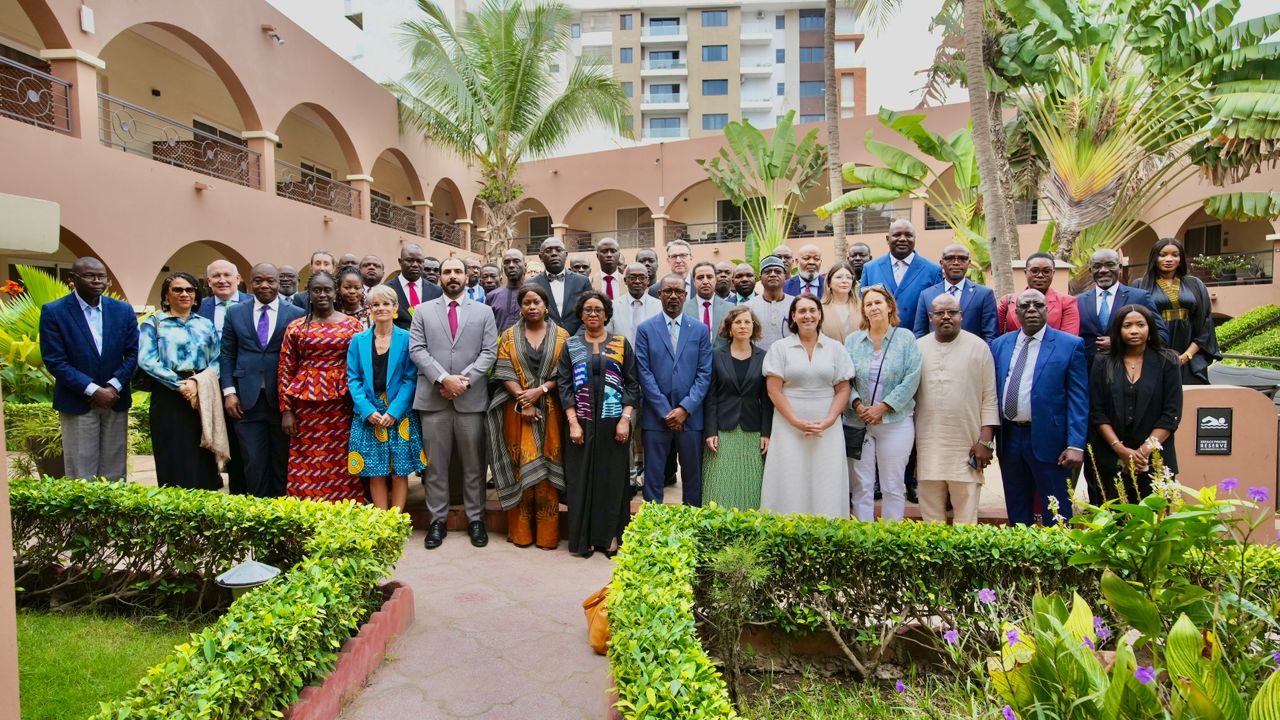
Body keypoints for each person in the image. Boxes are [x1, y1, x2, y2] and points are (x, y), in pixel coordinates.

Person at [411, 257, 499, 550]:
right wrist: (443, 379)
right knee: (435, 466)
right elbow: (417, 350)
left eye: (457, 271)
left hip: (471, 399)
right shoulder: (422, 311)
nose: (452, 276)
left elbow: (489, 352)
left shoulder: (484, 312)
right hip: (434, 400)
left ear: (466, 276)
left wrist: (464, 380)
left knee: (474, 464)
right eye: (447, 272)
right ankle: (437, 520)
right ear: (440, 278)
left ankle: (476, 519)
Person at [993, 289, 1088, 526]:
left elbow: (1078, 398)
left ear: (1047, 310)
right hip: (1010, 437)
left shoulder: (1069, 345)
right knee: (1017, 507)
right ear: (1016, 313)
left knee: (1056, 509)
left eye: (1038, 305)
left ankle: (1058, 559)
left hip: (1051, 440)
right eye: (1025, 306)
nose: (1032, 310)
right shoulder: (999, 345)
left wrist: (1075, 444)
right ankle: (1021, 559)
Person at [40, 257, 139, 482]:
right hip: (78, 401)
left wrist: (113, 386)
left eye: (101, 276)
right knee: (81, 472)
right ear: (72, 280)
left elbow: (133, 353)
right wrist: (93, 390)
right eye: (89, 276)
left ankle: (112, 516)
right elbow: (55, 360)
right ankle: (83, 519)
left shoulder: (122, 310)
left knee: (115, 472)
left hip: (116, 399)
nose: (97, 281)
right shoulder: (54, 312)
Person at [487, 285, 569, 549]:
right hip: (517, 411)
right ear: (520, 307)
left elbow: (564, 374)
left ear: (546, 306)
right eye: (526, 303)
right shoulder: (509, 336)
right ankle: (520, 534)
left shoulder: (563, 336)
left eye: (536, 302)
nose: (532, 307)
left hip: (552, 413)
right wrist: (525, 399)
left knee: (547, 474)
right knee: (519, 470)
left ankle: (547, 537)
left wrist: (540, 391)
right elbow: (503, 370)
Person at [559, 291, 640, 557]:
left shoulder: (620, 343)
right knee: (582, 480)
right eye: (587, 309)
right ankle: (586, 538)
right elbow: (564, 385)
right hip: (580, 422)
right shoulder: (571, 345)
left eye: (598, 309)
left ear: (606, 314)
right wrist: (573, 422)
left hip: (613, 422)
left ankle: (612, 536)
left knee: (612, 480)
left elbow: (632, 383)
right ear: (580, 314)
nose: (593, 314)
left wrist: (625, 419)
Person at [760, 295, 855, 518]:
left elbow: (843, 389)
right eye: (801, 311)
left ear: (820, 314)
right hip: (788, 425)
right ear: (793, 316)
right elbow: (774, 389)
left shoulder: (836, 348)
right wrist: (795, 421)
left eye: (812, 310)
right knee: (789, 476)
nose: (807, 315)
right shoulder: (780, 348)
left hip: (827, 426)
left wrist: (830, 420)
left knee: (826, 477)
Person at [278, 272, 365, 502]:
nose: (322, 294)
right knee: (306, 459)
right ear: (309, 293)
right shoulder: (296, 327)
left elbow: (361, 367)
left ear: (336, 292)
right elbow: (286, 369)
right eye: (317, 290)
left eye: (327, 289)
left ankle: (345, 509)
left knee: (341, 457)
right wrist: (286, 410)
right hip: (305, 407)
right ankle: (307, 510)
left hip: (342, 404)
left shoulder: (353, 325)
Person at [220, 263, 305, 498]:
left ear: (279, 282)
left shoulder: (296, 315)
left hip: (282, 401)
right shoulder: (235, 312)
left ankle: (280, 511)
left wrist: (292, 401)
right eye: (258, 280)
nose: (264, 285)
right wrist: (229, 392)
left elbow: (299, 359)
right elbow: (227, 354)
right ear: (249, 282)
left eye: (270, 280)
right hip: (246, 402)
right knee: (253, 462)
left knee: (282, 461)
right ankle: (259, 511)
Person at [915, 293, 998, 524]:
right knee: (931, 520)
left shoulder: (979, 347)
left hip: (967, 446)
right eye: (939, 313)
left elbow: (990, 397)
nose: (946, 317)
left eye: (952, 312)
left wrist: (985, 441)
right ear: (930, 317)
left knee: (966, 520)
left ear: (961, 316)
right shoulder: (918, 347)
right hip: (927, 445)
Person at [1087, 304, 1183, 503]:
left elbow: (1171, 414)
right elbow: (1097, 411)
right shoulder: (1103, 362)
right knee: (1113, 524)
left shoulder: (1168, 361)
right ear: (1117, 331)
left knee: (1154, 525)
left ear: (1150, 329)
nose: (1134, 330)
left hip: (1155, 459)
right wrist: (1121, 450)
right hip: (1111, 458)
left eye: (1140, 324)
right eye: (1127, 325)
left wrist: (1143, 452)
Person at [137, 272, 223, 490]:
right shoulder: (153, 324)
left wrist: (195, 383)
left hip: (203, 391)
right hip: (168, 395)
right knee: (173, 452)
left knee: (203, 452)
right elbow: (147, 360)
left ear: (196, 296)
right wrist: (180, 385)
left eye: (190, 290)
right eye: (178, 290)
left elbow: (218, 358)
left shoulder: (206, 325)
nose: (184, 294)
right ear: (167, 296)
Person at [845, 286, 922, 522]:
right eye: (868, 304)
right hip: (859, 423)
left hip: (895, 423)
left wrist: (884, 407)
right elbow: (844, 378)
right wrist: (857, 405)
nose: (873, 307)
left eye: (878, 302)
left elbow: (912, 378)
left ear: (890, 306)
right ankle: (864, 538)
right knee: (862, 486)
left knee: (892, 484)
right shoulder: (852, 341)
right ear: (864, 311)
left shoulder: (906, 338)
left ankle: (890, 539)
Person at [635, 274, 713, 505]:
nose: (673, 296)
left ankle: (692, 525)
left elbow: (704, 373)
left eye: (678, 292)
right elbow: (643, 372)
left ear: (685, 295)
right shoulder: (646, 329)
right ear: (659, 294)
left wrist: (684, 409)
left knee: (692, 476)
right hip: (656, 417)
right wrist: (665, 411)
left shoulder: (699, 330)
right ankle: (652, 528)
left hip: (691, 417)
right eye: (668, 291)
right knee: (654, 475)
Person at [347, 285, 426, 512]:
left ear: (395, 307)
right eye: (375, 304)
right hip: (369, 413)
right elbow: (353, 379)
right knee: (375, 470)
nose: (381, 308)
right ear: (369, 309)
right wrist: (366, 409)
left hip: (398, 413)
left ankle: (396, 519)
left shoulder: (407, 338)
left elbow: (411, 379)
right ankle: (382, 520)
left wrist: (394, 412)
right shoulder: (358, 341)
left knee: (399, 470)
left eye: (385, 304)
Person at [702, 307, 772, 510]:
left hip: (753, 429)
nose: (743, 326)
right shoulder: (716, 355)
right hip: (722, 430)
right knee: (719, 483)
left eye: (747, 322)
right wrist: (710, 431)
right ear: (729, 328)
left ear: (754, 327)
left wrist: (766, 432)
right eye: (738, 322)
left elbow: (767, 399)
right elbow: (711, 397)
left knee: (751, 484)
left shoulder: (764, 357)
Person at [1131, 238, 1220, 385]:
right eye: (1163, 255)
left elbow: (1205, 323)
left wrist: (1186, 356)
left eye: (1175, 255)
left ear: (1181, 258)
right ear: (1155, 257)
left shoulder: (1195, 284)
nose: (1169, 259)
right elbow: (1135, 322)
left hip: (1190, 356)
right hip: (1153, 354)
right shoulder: (1140, 284)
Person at [198, 258, 251, 495]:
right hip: (208, 384)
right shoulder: (201, 307)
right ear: (208, 281)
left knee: (242, 443)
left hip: (245, 385)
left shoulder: (254, 304)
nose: (222, 280)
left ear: (238, 279)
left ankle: (240, 490)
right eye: (216, 276)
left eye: (227, 275)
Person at [1076, 248, 1165, 366]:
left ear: (1120, 268)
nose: (1103, 270)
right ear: (1090, 271)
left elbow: (1161, 335)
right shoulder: (1077, 301)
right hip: (1088, 373)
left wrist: (1120, 343)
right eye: (1097, 266)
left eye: (1110, 265)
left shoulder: (1140, 297)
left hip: (1128, 371)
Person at [858, 220, 943, 335]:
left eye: (908, 235)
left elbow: (937, 310)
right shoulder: (870, 268)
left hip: (917, 339)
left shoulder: (932, 270)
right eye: (897, 235)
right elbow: (863, 308)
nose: (902, 239)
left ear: (914, 239)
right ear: (888, 239)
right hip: (879, 340)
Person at [913, 243, 997, 344]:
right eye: (950, 258)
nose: (956, 263)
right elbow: (920, 333)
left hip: (971, 356)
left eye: (962, 258)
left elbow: (990, 335)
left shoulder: (984, 294)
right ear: (941, 263)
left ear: (969, 262)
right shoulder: (926, 295)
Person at [997, 252, 1080, 335]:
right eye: (1034, 271)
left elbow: (1068, 341)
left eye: (1046, 271)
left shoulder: (1066, 302)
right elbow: (996, 338)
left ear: (1053, 273)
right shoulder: (1007, 301)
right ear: (1026, 273)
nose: (1040, 275)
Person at [529, 237, 592, 336]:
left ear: (566, 255)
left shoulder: (582, 282)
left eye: (559, 250)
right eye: (548, 251)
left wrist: (576, 339)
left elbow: (589, 313)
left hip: (577, 342)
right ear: (541, 257)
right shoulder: (531, 284)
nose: (554, 253)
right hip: (544, 343)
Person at [387, 243, 443, 330]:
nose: (415, 265)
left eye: (419, 261)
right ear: (400, 262)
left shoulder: (437, 291)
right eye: (409, 260)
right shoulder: (387, 290)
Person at [745, 256, 795, 349]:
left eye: (778, 271)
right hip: (758, 362)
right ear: (760, 278)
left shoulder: (796, 304)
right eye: (767, 272)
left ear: (785, 276)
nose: (773, 274)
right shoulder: (748, 307)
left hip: (790, 361)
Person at [608, 262, 662, 343]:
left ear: (648, 281)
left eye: (642, 277)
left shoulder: (660, 306)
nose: (637, 281)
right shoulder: (612, 306)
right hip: (621, 353)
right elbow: (607, 335)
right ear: (625, 281)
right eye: (632, 278)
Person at [684, 261, 733, 346]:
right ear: (694, 282)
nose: (705, 281)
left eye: (709, 277)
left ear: (715, 280)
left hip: (721, 358)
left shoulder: (729, 308)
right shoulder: (683, 309)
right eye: (700, 277)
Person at [486, 248, 526, 333]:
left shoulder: (535, 294)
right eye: (507, 262)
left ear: (525, 265)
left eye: (516, 261)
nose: (511, 265)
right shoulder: (492, 296)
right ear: (503, 267)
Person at [820, 263, 862, 342]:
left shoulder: (862, 307)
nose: (844, 281)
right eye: (839, 277)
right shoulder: (819, 309)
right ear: (829, 283)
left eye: (849, 277)